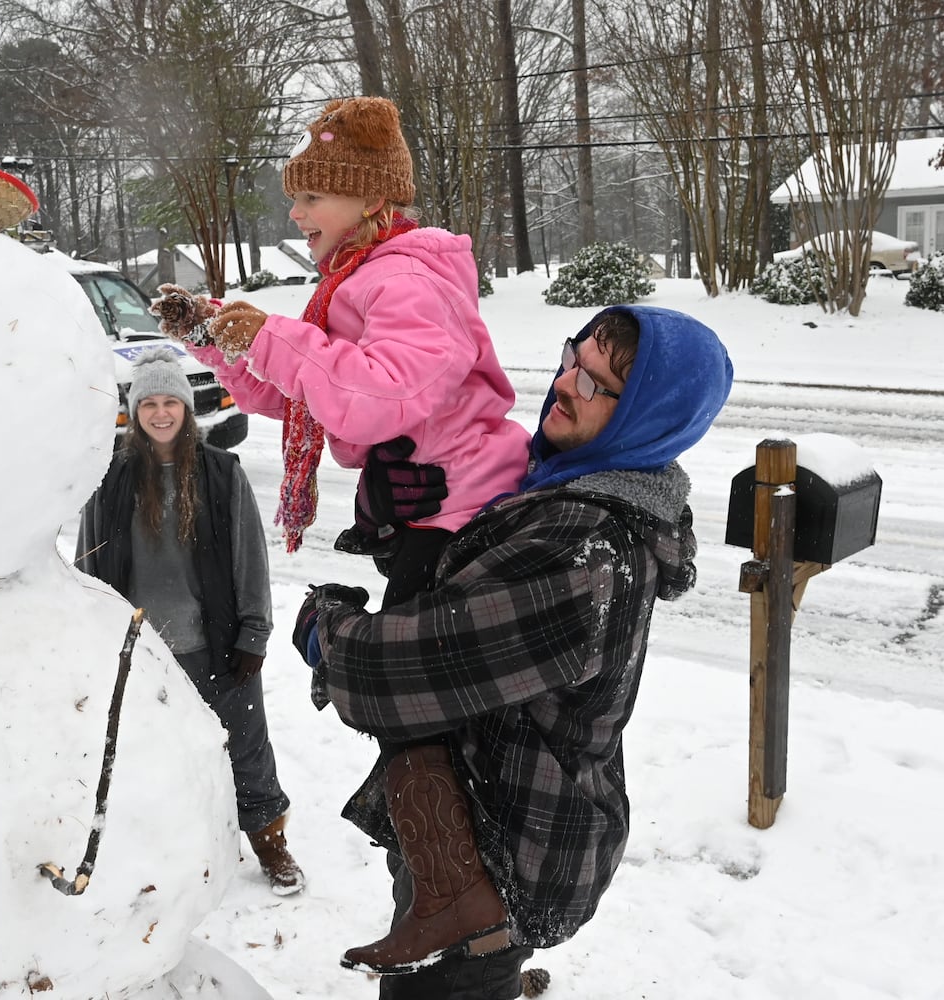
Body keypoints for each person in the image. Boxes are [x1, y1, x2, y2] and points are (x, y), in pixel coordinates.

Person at [290, 305, 734, 996]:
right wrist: (397, 526)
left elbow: (398, 670)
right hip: (476, 824)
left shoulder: (580, 549)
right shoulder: (554, 487)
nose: (563, 384)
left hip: (499, 862)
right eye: (571, 359)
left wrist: (328, 626)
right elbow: (459, 588)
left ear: (647, 416)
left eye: (595, 384)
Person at [152, 95, 530, 609]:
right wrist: (215, 336)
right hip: (423, 505)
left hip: (463, 508)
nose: (295, 211)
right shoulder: (354, 280)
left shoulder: (406, 280)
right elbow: (305, 392)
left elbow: (376, 396)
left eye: (312, 195)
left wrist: (269, 338)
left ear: (371, 199)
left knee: (414, 662)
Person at [76, 346, 304, 895]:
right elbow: (88, 562)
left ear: (186, 407)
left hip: (216, 642)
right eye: (148, 403)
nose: (160, 413)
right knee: (146, 755)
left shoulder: (221, 474)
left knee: (247, 747)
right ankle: (162, 853)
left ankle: (271, 846)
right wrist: (90, 632)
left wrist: (254, 631)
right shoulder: (109, 478)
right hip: (141, 649)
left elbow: (251, 557)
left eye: (170, 402)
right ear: (133, 410)